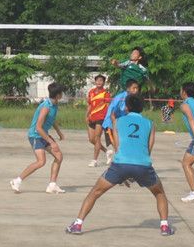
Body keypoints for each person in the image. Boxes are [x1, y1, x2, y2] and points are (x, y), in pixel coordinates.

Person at [66, 93, 173, 237]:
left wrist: (124, 174)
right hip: (143, 164)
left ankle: (77, 224)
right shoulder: (150, 123)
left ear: (126, 107)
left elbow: (117, 146)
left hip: (120, 164)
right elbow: (148, 149)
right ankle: (164, 226)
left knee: (95, 192)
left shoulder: (118, 122)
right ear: (142, 107)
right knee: (159, 193)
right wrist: (136, 171)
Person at [11, 83, 65, 194]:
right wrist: (51, 142)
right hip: (35, 135)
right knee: (41, 162)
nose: (62, 94)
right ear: (57, 95)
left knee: (59, 156)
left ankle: (52, 185)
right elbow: (38, 127)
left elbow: (51, 119)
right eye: (61, 93)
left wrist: (59, 132)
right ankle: (17, 181)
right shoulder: (46, 107)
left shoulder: (55, 104)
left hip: (43, 134)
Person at [101, 79, 142, 162]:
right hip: (111, 124)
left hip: (123, 124)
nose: (136, 90)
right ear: (128, 89)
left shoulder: (134, 98)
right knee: (117, 145)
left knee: (125, 144)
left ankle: (125, 161)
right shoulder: (120, 98)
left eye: (137, 88)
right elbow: (113, 114)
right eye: (133, 88)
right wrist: (115, 126)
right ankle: (119, 162)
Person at [84, 74, 111, 167]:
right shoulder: (91, 92)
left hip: (101, 118)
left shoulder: (106, 93)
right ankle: (106, 151)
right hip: (92, 117)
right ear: (95, 82)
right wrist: (86, 116)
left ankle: (94, 160)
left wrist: (108, 118)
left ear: (104, 82)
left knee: (97, 138)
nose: (99, 82)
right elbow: (90, 105)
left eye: (101, 80)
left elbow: (108, 106)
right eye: (97, 80)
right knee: (91, 139)